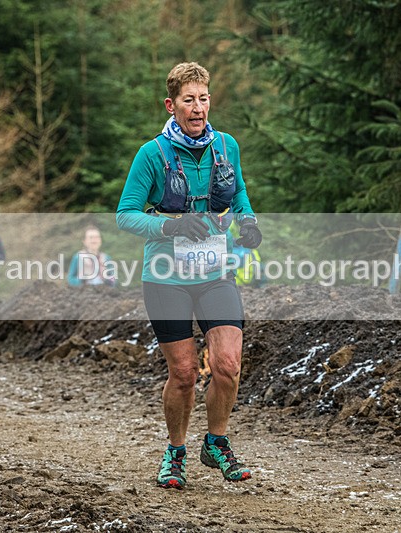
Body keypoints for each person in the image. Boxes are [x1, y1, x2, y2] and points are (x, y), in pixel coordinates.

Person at [116, 62, 262, 489]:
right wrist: (172, 226)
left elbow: (238, 192)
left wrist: (248, 221)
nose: (198, 108)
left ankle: (216, 442)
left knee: (228, 364)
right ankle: (175, 451)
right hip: (166, 276)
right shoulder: (152, 154)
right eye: (188, 100)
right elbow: (125, 215)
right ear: (171, 104)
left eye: (203, 99)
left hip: (215, 272)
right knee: (183, 373)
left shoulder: (226, 146)